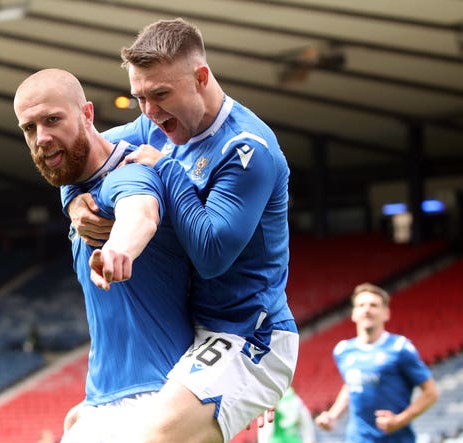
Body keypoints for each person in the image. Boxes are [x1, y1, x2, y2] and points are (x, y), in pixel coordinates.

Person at [62, 17, 299, 443]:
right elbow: (86, 153)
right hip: (190, 335)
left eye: (160, 94)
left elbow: (210, 256)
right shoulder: (156, 124)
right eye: (140, 98)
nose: (150, 111)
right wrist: (73, 200)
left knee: (153, 439)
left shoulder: (247, 148)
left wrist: (168, 168)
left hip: (248, 334)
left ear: (201, 77)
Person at [13, 68, 194, 442]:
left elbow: (140, 212)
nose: (42, 138)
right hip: (109, 398)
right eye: (29, 129)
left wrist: (117, 250)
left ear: (88, 114)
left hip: (156, 397)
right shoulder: (79, 190)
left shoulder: (128, 173)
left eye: (52, 120)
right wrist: (96, 401)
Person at [315, 282, 438, 442]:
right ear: (354, 313)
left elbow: (431, 393)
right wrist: (334, 415)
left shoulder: (400, 348)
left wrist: (399, 420)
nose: (367, 310)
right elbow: (351, 384)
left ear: (386, 313)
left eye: (373, 305)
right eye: (361, 305)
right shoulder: (343, 350)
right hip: (357, 438)